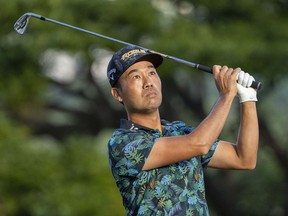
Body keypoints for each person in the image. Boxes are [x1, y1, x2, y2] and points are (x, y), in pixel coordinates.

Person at [107, 45, 259, 216]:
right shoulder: (122, 143)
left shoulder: (180, 131)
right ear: (118, 94)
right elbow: (199, 144)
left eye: (151, 73)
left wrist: (248, 99)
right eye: (135, 76)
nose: (148, 82)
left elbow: (244, 159)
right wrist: (226, 95)